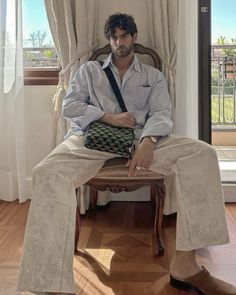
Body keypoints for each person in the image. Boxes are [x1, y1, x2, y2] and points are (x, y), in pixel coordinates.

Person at [17, 13, 236, 295]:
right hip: (92, 140)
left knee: (202, 154)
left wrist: (149, 141)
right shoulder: (89, 71)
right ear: (109, 40)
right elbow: (70, 106)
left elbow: (161, 112)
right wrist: (108, 117)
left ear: (134, 37)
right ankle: (47, 284)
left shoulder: (152, 76)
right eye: (114, 37)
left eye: (124, 35)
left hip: (142, 140)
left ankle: (186, 267)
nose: (119, 42)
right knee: (45, 172)